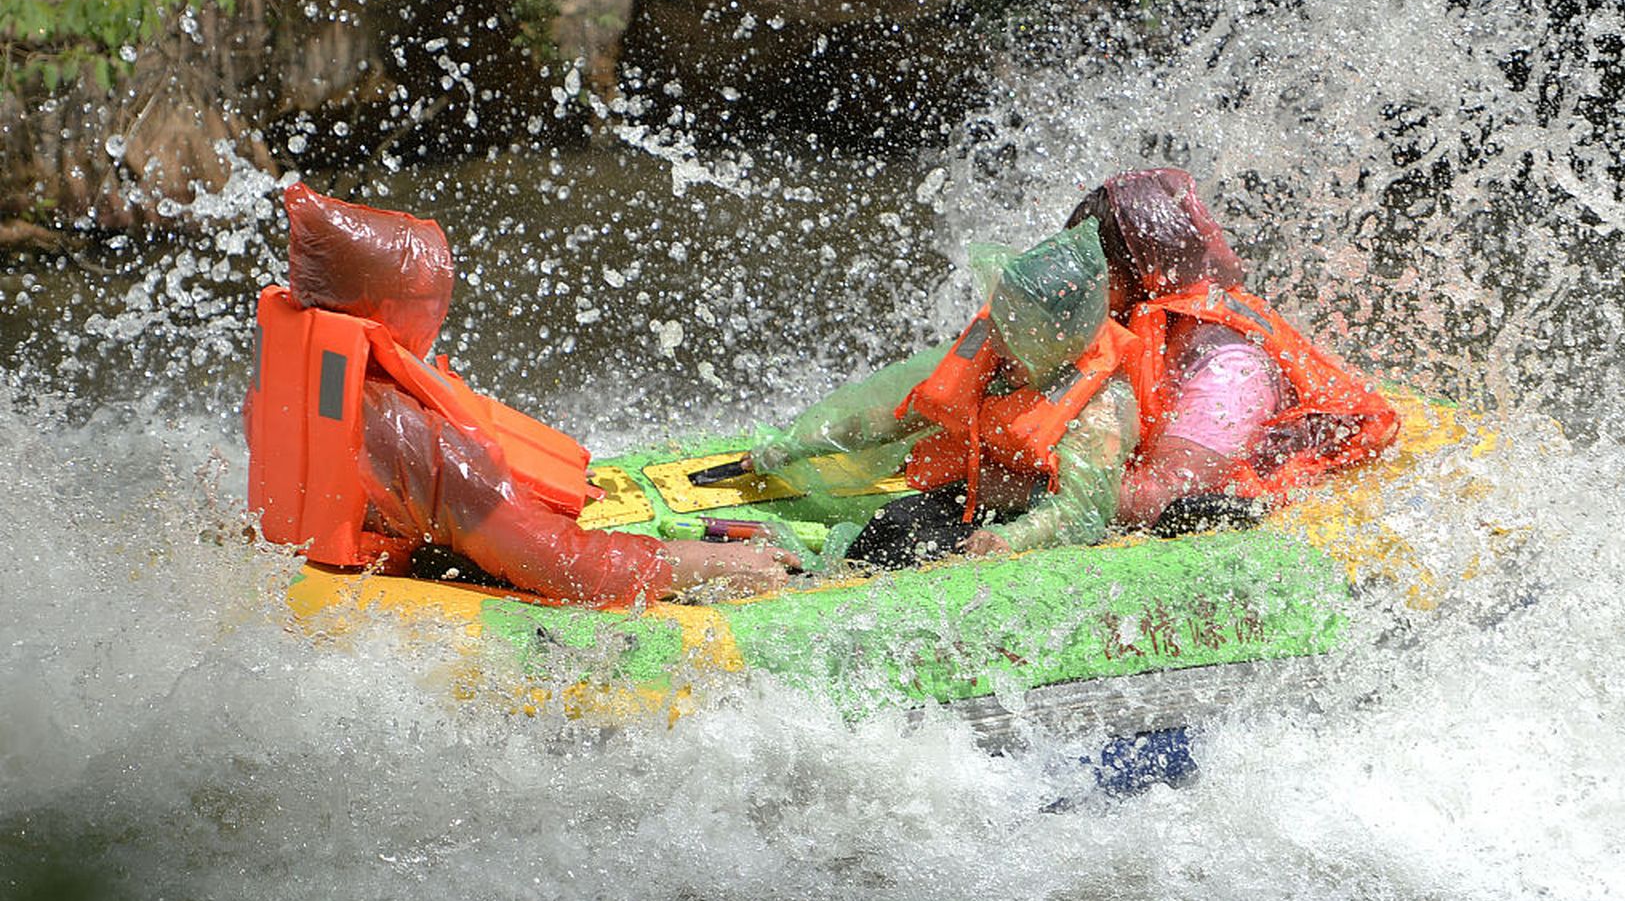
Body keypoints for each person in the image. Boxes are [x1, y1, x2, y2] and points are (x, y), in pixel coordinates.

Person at [246, 184, 793, 605]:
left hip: (312, 583)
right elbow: (562, 564)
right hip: (384, 616)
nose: (441, 313)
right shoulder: (415, 437)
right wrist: (705, 565)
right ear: (392, 310)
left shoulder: (290, 381)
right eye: (433, 301)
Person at [744, 221, 1144, 567]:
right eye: (1001, 324)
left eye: (1016, 334)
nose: (998, 342)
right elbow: (891, 419)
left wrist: (1011, 539)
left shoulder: (1102, 406)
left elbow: (1083, 512)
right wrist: (794, 447)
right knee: (894, 523)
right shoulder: (996, 357)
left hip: (1032, 525)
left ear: (1057, 344)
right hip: (973, 500)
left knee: (919, 546)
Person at [1066, 169, 1400, 530]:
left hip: (1279, 514)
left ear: (1140, 275)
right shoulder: (1151, 331)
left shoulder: (1229, 370)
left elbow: (1157, 496)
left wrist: (1020, 486)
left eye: (1089, 272)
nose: (1069, 290)